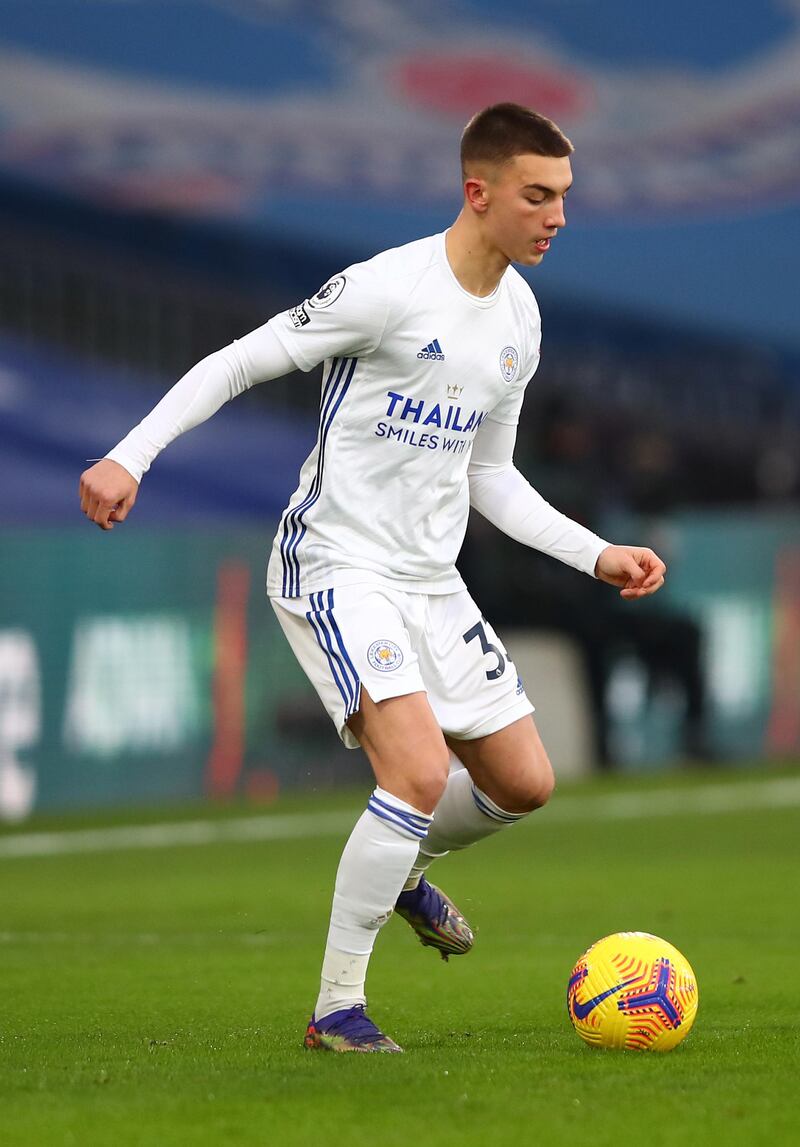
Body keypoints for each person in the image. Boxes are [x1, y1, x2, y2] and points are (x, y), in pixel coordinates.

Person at [79, 103, 666, 1054]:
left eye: (564, 196)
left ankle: (397, 868)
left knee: (523, 781)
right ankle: (337, 1011)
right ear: (479, 193)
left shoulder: (519, 317)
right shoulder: (385, 289)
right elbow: (241, 361)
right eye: (538, 195)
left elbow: (490, 475)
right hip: (337, 562)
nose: (558, 215)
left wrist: (593, 552)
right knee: (418, 769)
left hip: (431, 580)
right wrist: (128, 457)